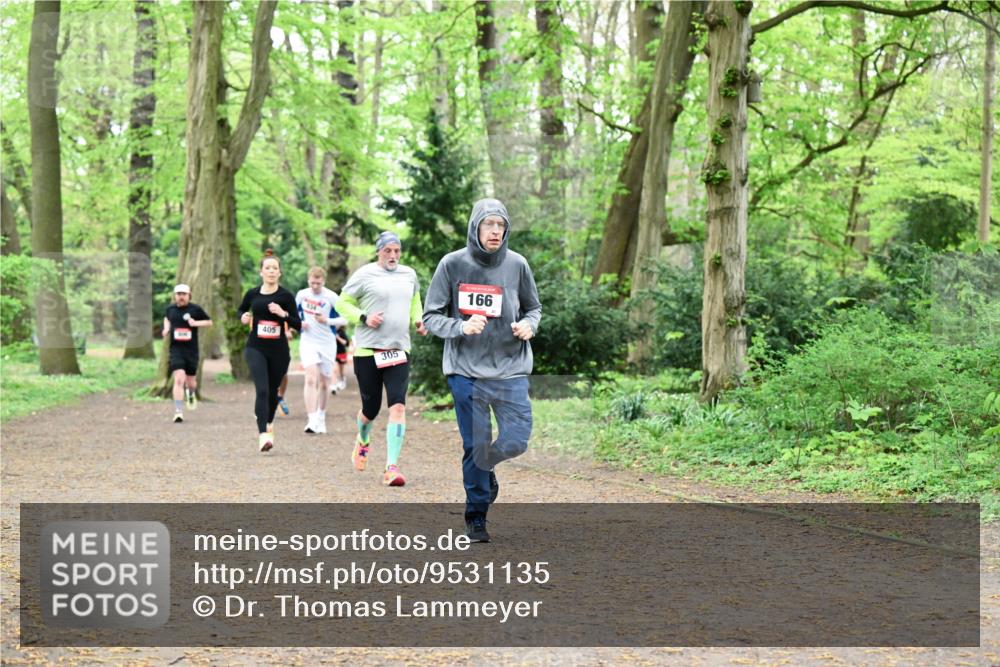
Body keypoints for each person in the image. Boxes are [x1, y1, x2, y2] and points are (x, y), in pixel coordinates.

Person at [423, 198, 541, 542]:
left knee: (517, 440)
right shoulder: (452, 264)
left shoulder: (517, 264)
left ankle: (485, 466)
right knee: (476, 442)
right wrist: (460, 327)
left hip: (510, 367)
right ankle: (476, 516)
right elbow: (431, 316)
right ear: (476, 227)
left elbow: (534, 307)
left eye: (500, 225)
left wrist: (529, 326)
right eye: (489, 224)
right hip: (465, 369)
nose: (495, 231)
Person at [335, 231, 426, 486]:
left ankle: (392, 467)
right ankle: (363, 438)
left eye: (397, 250)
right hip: (368, 352)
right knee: (370, 410)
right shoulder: (364, 275)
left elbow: (415, 300)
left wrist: (418, 319)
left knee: (397, 406)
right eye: (388, 251)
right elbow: (342, 303)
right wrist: (364, 317)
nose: (393, 255)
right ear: (379, 252)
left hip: (399, 350)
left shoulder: (409, 274)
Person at [237, 250, 302, 452]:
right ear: (261, 272)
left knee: (273, 394)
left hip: (279, 351)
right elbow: (241, 310)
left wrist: (283, 314)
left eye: (275, 268)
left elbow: (298, 324)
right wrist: (243, 317)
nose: (271, 271)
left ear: (279, 273)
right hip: (255, 347)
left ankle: (269, 422)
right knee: (262, 390)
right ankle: (263, 434)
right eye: (268, 268)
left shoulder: (285, 296)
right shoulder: (253, 294)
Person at [295, 266, 348, 434]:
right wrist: (298, 324)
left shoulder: (331, 297)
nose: (315, 286)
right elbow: (293, 314)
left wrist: (328, 321)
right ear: (308, 280)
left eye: (318, 283)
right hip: (308, 341)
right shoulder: (302, 295)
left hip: (327, 342)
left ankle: (321, 416)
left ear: (323, 281)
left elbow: (346, 318)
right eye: (312, 283)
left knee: (325, 383)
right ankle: (311, 420)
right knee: (310, 378)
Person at [162, 284, 212, 423]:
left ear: (189, 295)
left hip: (191, 351)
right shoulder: (170, 309)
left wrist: (195, 323)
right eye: (178, 294)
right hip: (176, 350)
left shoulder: (195, 309)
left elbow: (209, 322)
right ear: (175, 296)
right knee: (179, 379)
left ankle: (190, 393)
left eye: (184, 294)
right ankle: (178, 411)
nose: (181, 297)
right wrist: (166, 329)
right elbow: (167, 318)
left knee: (191, 382)